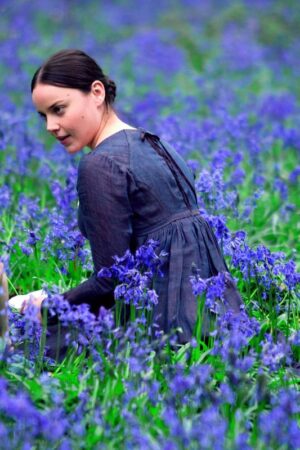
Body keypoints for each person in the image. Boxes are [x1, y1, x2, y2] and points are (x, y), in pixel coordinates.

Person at [9, 49, 242, 355]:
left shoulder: (101, 165)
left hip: (158, 329)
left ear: (96, 92)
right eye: (44, 116)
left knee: (16, 348)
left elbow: (112, 282)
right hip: (218, 320)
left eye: (59, 109)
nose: (50, 126)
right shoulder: (158, 144)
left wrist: (46, 308)